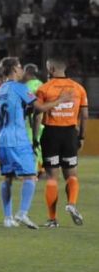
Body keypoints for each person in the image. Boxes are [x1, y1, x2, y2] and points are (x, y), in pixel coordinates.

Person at [0, 57, 70, 229]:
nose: (22, 70)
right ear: (14, 69)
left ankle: (8, 218)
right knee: (30, 176)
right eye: (20, 67)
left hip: (3, 139)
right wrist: (61, 99)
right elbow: (41, 108)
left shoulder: (1, 89)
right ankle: (22, 213)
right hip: (17, 138)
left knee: (8, 178)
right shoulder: (20, 88)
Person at [34, 57, 89, 227]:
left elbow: (38, 115)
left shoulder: (44, 88)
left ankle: (52, 219)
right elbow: (85, 115)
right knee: (71, 175)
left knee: (51, 177)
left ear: (50, 69)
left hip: (51, 133)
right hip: (70, 133)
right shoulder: (78, 88)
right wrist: (81, 137)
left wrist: (35, 138)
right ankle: (71, 204)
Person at [22, 64, 44, 174]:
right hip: (41, 120)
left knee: (31, 145)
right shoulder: (42, 85)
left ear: (27, 73)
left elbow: (27, 103)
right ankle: (43, 169)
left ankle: (32, 171)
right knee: (39, 143)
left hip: (30, 121)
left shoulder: (27, 86)